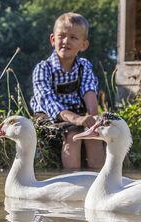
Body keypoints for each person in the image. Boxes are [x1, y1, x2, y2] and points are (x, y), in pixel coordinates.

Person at [30, 12, 105, 169]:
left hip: (76, 112)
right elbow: (49, 102)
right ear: (53, 39)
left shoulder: (84, 66)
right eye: (61, 36)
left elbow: (89, 90)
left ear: (83, 45)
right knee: (73, 134)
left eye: (73, 37)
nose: (66, 41)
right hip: (49, 116)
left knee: (93, 136)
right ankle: (72, 178)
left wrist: (94, 119)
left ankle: (98, 179)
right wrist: (77, 120)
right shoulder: (43, 68)